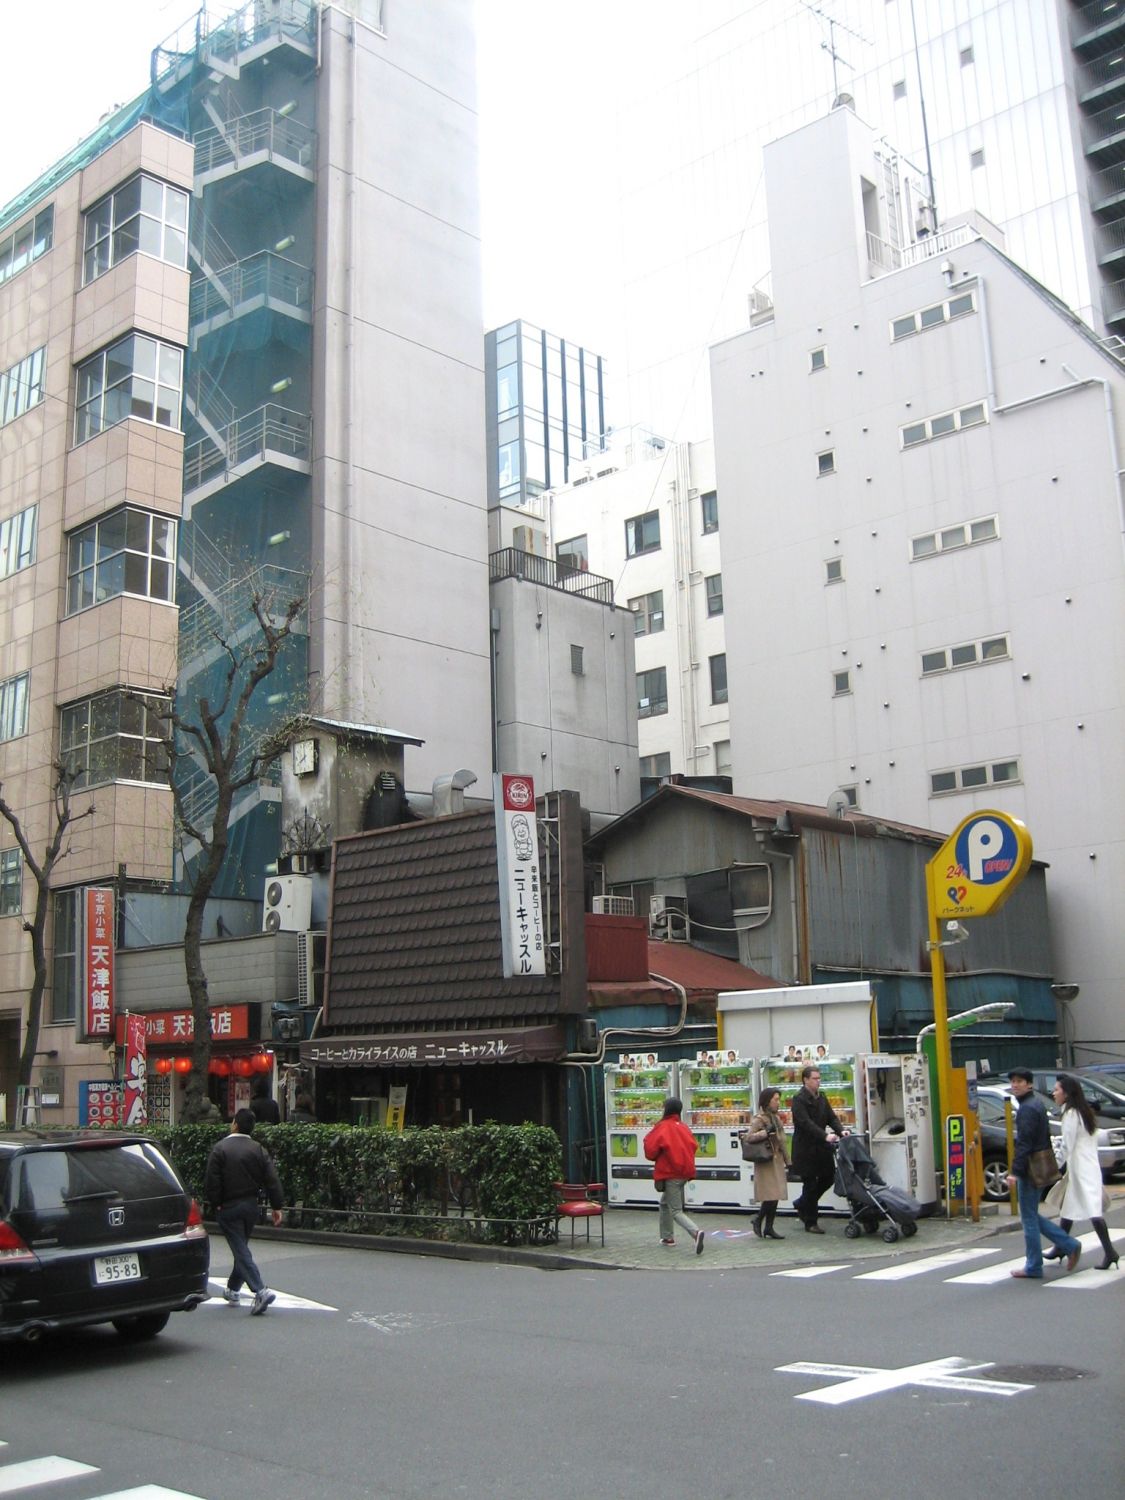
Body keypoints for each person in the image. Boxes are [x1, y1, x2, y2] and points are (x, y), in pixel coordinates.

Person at [204, 1108, 285, 1314]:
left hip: (228, 1206)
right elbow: (272, 1179)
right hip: (251, 1205)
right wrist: (277, 1206)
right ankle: (232, 1289)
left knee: (240, 1250)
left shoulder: (220, 1148)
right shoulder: (258, 1149)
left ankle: (260, 1290)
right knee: (242, 1248)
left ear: (234, 1124)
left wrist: (216, 1203)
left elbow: (212, 1181)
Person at [1005, 1067, 1081, 1279]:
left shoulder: (1027, 1109)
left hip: (1031, 1168)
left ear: (1029, 1084)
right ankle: (1069, 1244)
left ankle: (1034, 1265)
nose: (1015, 1085)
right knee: (1031, 1214)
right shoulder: (1035, 1104)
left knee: (1028, 1218)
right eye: (1013, 1081)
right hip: (1041, 1165)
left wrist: (1015, 1171)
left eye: (1020, 1081)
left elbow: (1025, 1143)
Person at [1044, 1075, 1119, 1271]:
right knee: (1069, 1207)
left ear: (1067, 1093)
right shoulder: (1084, 1112)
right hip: (1087, 1166)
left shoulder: (1070, 1114)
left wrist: (1055, 1167)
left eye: (1057, 1089)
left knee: (1093, 1211)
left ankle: (1110, 1252)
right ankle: (1060, 1247)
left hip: (1081, 1169)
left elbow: (1067, 1145)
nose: (1054, 1093)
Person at [643, 1097, 705, 1255]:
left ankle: (696, 1233)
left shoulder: (663, 1127)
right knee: (665, 1203)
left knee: (676, 1210)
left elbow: (650, 1150)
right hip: (685, 1172)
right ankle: (667, 1237)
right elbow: (693, 1146)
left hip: (671, 1173)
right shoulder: (683, 1127)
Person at [790, 1064, 844, 1233]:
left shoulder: (822, 1097)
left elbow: (831, 1117)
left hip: (821, 1147)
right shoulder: (798, 1099)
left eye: (819, 1078)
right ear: (806, 1080)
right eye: (815, 1079)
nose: (818, 1081)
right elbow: (805, 1123)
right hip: (806, 1148)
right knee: (810, 1184)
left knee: (829, 1177)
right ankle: (811, 1222)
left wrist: (841, 1131)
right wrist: (824, 1135)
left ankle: (801, 1203)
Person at [746, 1087, 789, 1240]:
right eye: (775, 1100)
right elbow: (749, 1138)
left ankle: (768, 1226)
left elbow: (782, 1140)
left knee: (775, 1195)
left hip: (776, 1160)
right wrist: (765, 1132)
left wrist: (788, 1160)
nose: (778, 1103)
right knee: (770, 1195)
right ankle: (759, 1220)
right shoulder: (760, 1119)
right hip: (765, 1160)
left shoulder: (776, 1118)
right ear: (767, 1101)